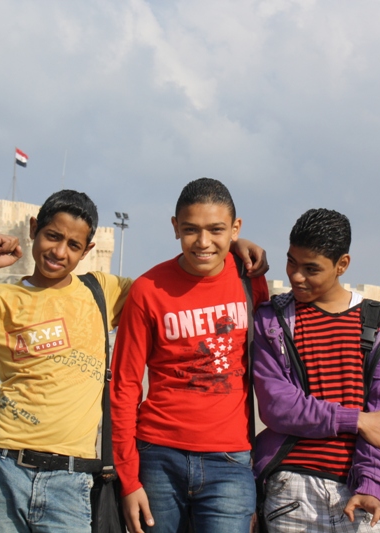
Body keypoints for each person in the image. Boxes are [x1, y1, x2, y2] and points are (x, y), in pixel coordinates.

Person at [0, 188, 268, 532]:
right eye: (52, 236)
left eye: (74, 245)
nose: (59, 251)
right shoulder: (2, 300)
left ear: (88, 250)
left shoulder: (101, 292)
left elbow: (184, 278)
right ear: (33, 229)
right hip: (4, 464)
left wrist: (231, 247)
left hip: (72, 476)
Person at [111, 178, 270, 533]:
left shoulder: (252, 282)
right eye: (190, 230)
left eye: (216, 230)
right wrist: (128, 478)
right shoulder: (147, 290)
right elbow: (124, 387)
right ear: (174, 228)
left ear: (235, 228)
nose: (203, 242)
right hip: (156, 458)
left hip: (230, 460)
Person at [252, 208, 380, 533]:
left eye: (311, 269)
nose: (296, 276)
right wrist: (355, 420)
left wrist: (371, 486)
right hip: (291, 488)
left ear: (342, 265)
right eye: (291, 261)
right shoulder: (273, 321)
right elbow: (278, 406)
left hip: (357, 493)